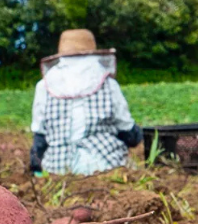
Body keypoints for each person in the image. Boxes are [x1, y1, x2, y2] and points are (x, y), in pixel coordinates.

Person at [30, 29, 142, 175]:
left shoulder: (44, 86)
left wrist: (35, 169)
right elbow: (127, 131)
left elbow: (40, 136)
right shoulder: (107, 83)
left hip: (58, 167)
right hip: (105, 163)